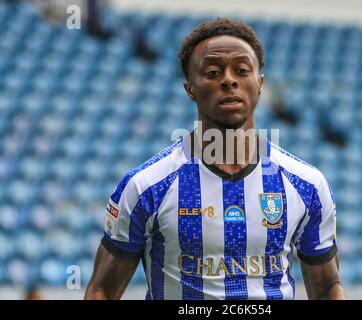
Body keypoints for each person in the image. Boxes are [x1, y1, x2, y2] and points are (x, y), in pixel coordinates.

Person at [85, 18, 344, 300]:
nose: (229, 80)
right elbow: (102, 290)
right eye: (212, 72)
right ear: (190, 88)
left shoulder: (306, 185)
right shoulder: (146, 187)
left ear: (259, 84)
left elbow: (328, 287)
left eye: (242, 70)